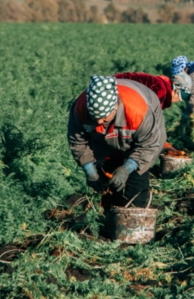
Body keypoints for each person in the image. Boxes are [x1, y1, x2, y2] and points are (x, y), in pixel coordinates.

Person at [68, 75, 166, 209]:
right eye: (94, 117)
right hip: (105, 139)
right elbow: (78, 142)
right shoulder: (80, 109)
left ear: (115, 106)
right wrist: (90, 171)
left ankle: (133, 205)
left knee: (134, 191)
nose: (98, 122)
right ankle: (109, 208)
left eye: (103, 117)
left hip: (145, 127)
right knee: (107, 176)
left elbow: (148, 146)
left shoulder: (139, 111)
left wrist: (127, 168)